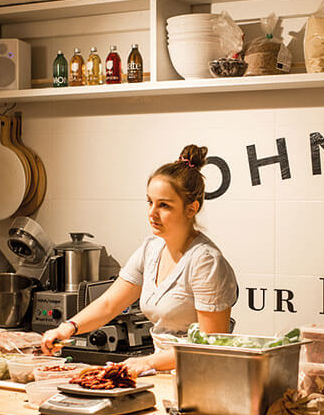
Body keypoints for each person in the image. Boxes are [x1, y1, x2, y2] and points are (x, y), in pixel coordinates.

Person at [41, 145, 237, 374]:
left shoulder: (205, 262)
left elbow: (208, 346)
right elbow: (109, 304)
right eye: (150, 202)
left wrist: (147, 362)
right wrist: (68, 328)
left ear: (191, 208)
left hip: (200, 378)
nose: (152, 213)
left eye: (164, 205)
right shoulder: (151, 249)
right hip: (162, 374)